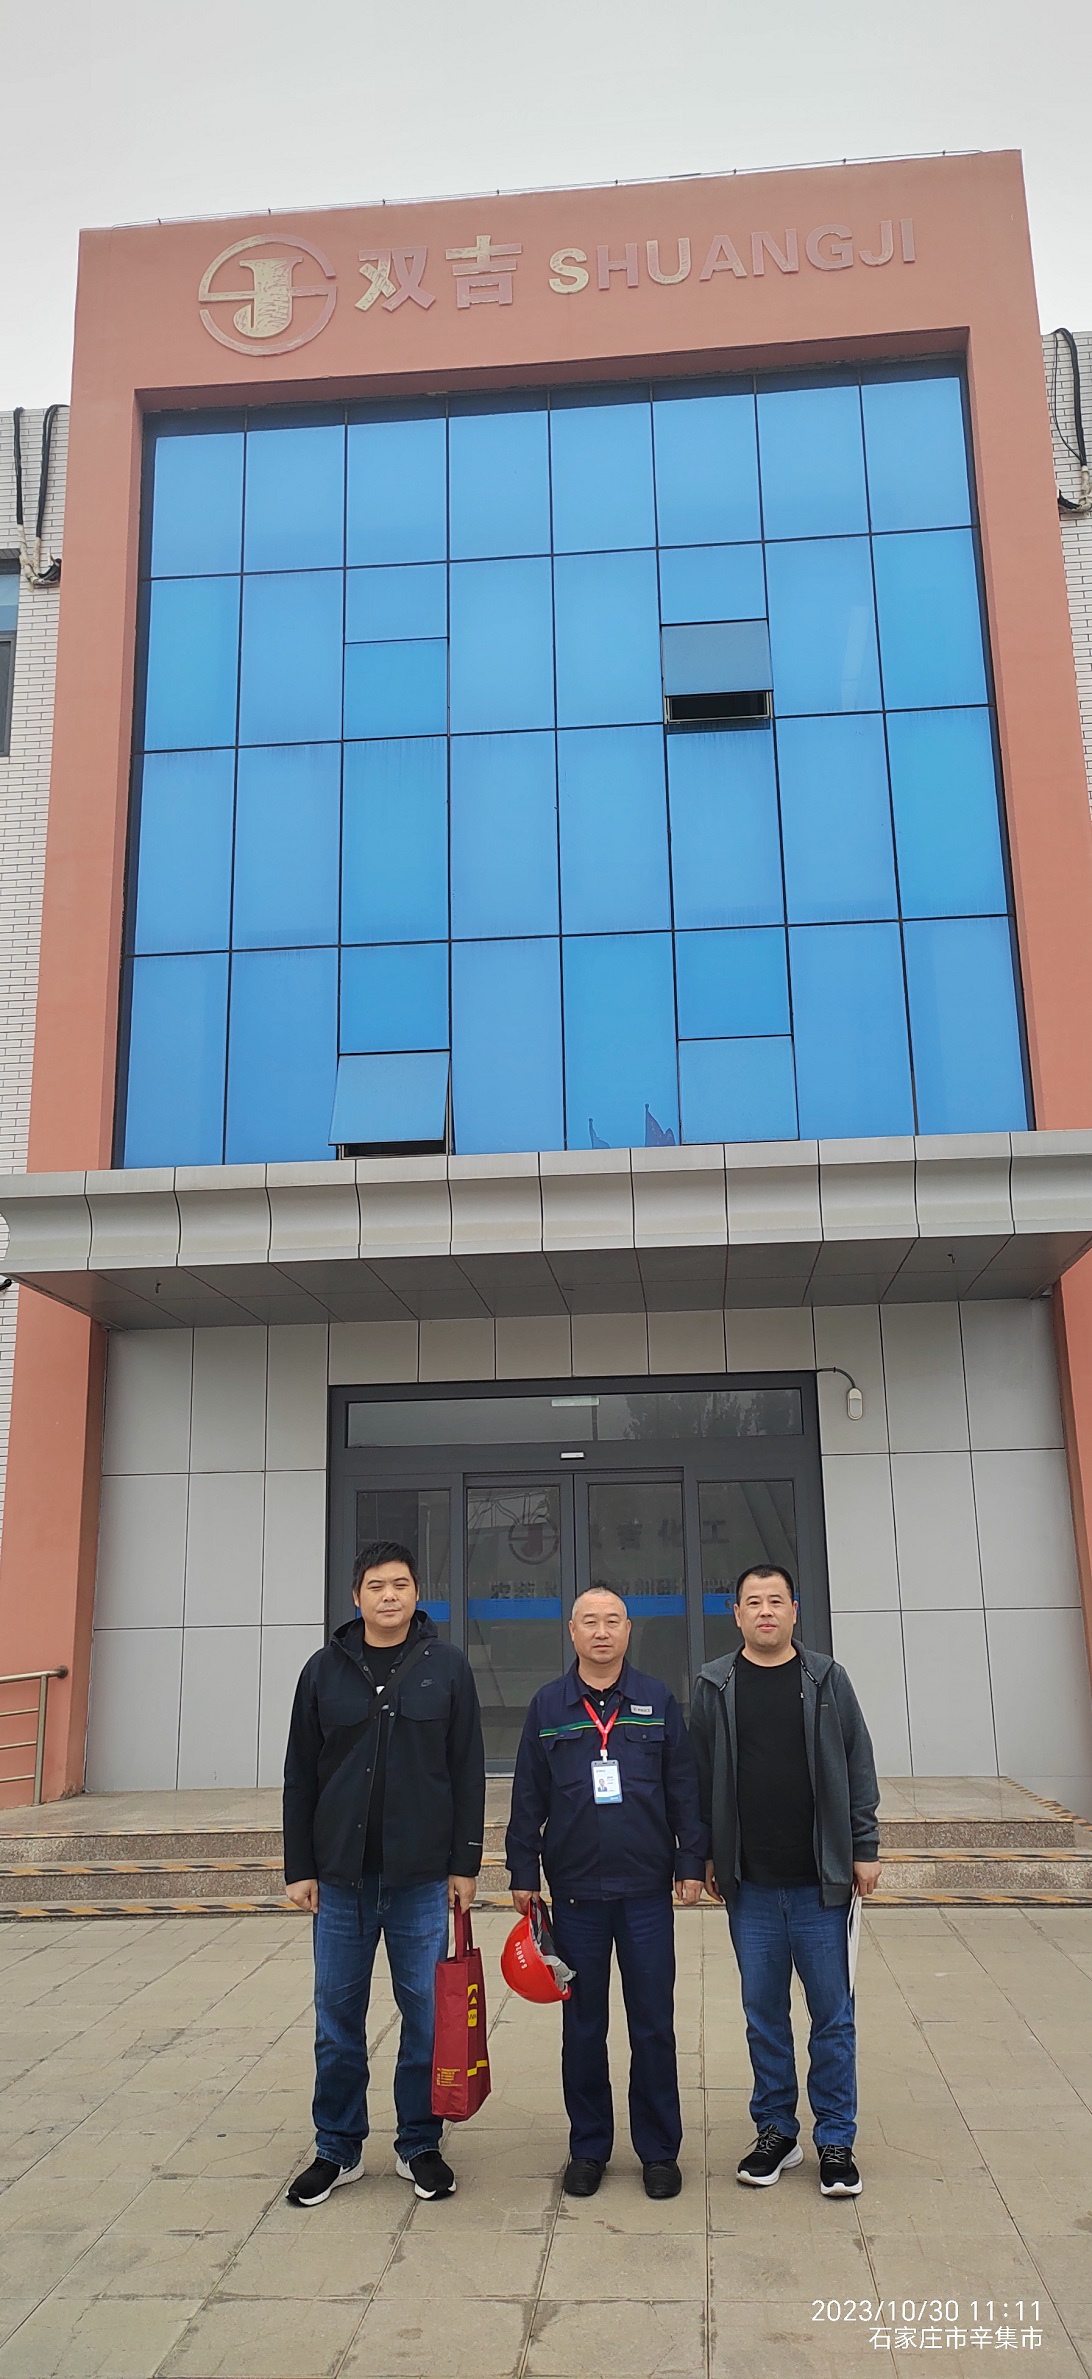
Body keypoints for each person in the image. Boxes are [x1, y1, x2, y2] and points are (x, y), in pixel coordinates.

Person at [283, 1539, 485, 2207]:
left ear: (416, 1592)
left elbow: (467, 1771)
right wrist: (299, 1867)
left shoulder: (446, 1667)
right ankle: (336, 2147)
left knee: (425, 2017)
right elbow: (299, 1774)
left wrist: (464, 1863)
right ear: (356, 1596)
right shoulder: (323, 1671)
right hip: (339, 1881)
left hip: (421, 1880)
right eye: (376, 1585)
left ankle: (419, 2142)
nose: (389, 1595)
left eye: (399, 1583)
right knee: (337, 2018)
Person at [505, 1586, 707, 2201]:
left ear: (628, 1630)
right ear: (571, 1632)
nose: (601, 1632)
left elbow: (684, 1787)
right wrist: (522, 1871)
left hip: (646, 1894)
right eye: (589, 1622)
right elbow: (527, 1795)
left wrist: (690, 1861)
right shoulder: (548, 1705)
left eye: (612, 1620)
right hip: (575, 1899)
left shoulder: (657, 1700)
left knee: (653, 2025)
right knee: (583, 2027)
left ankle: (659, 2151)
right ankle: (588, 2147)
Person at [690, 1564, 881, 2198]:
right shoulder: (714, 1684)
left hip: (820, 1884)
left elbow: (857, 1762)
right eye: (754, 1602)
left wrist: (863, 1847)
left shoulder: (826, 1678)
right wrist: (705, 1854)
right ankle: (776, 2131)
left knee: (833, 2017)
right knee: (764, 2015)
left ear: (795, 1610)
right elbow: (699, 1776)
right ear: (736, 1613)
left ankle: (836, 2139)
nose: (765, 1611)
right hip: (750, 1886)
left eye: (776, 1600)